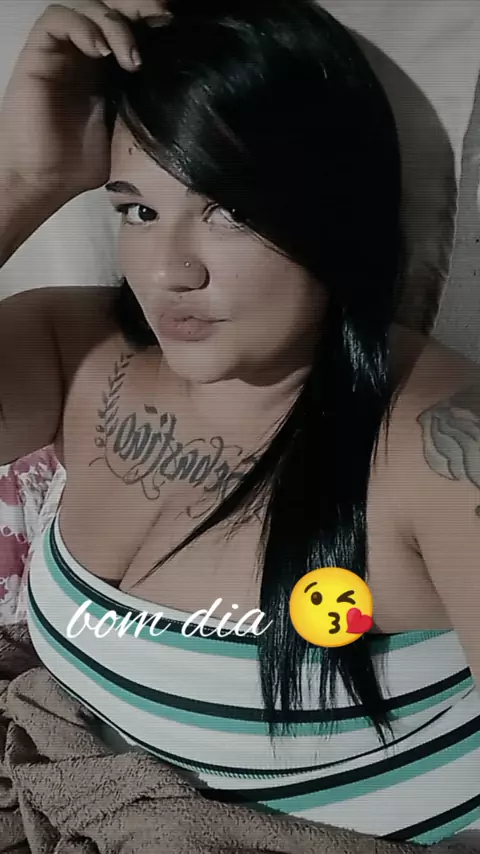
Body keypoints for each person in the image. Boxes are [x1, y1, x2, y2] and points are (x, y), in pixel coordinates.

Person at [0, 0, 479, 846]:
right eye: (138, 210)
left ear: (339, 206)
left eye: (230, 209)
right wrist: (20, 180)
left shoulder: (438, 449)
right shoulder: (78, 346)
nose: (168, 272)